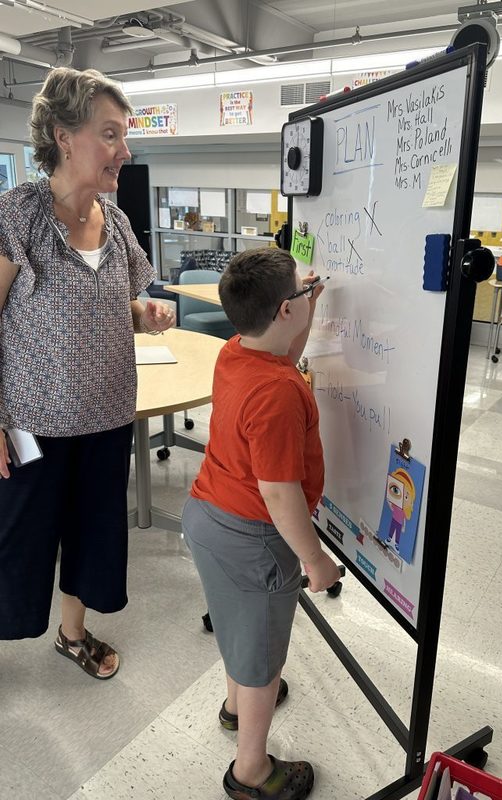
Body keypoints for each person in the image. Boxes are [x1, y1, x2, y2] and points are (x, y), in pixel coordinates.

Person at [0, 67, 175, 678]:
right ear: (64, 136)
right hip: (30, 422)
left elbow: (118, 305)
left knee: (91, 533)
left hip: (106, 416)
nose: (124, 150)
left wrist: (145, 313)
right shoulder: (18, 215)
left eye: (124, 136)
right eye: (110, 134)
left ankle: (72, 635)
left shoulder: (116, 222)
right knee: (17, 537)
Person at [182, 248, 340, 800]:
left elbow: (285, 350)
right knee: (263, 658)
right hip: (254, 540)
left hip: (208, 517)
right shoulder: (278, 392)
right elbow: (278, 492)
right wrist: (315, 560)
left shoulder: (237, 351)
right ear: (284, 310)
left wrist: (307, 304)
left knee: (238, 626)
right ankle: (250, 771)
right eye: (301, 289)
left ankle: (235, 707)